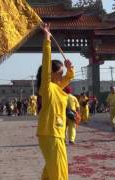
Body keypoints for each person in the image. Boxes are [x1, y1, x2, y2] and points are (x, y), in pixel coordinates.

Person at [36, 23, 74, 180]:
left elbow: (70, 76)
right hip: (50, 133)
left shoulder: (59, 87)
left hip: (58, 133)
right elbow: (46, 65)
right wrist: (47, 41)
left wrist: (69, 67)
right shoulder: (48, 87)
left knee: (53, 171)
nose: (63, 75)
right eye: (60, 73)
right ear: (51, 74)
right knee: (59, 172)